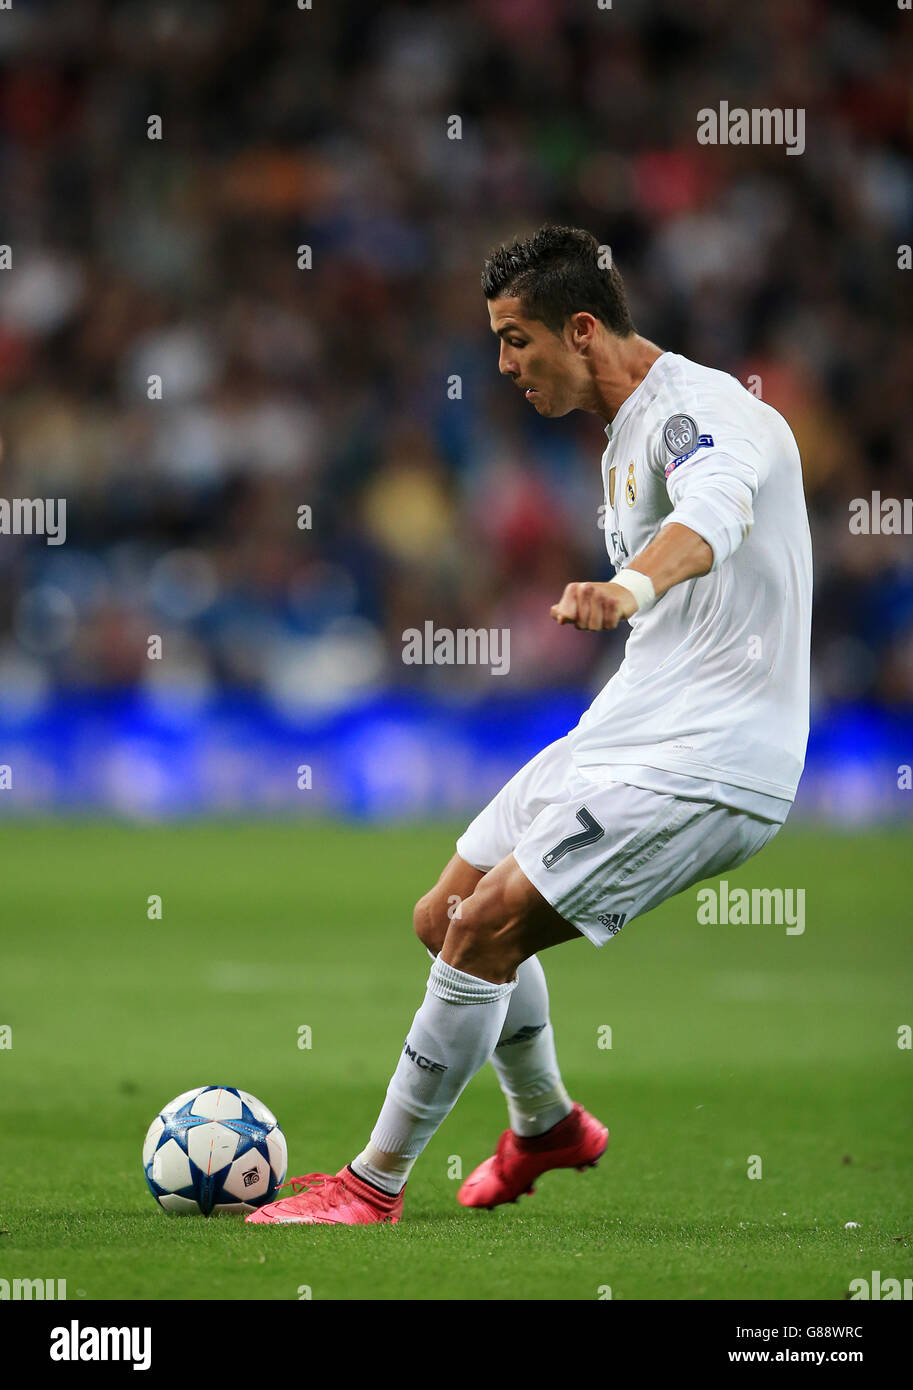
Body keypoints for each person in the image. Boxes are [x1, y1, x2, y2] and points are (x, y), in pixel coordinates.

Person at [247, 224, 812, 1227]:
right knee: (444, 916)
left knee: (482, 934)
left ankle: (371, 1184)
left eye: (516, 340)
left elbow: (714, 515)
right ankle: (545, 1122)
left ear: (581, 328)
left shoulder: (700, 415)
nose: (503, 366)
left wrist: (628, 585)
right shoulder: (624, 429)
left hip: (710, 756)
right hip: (630, 727)